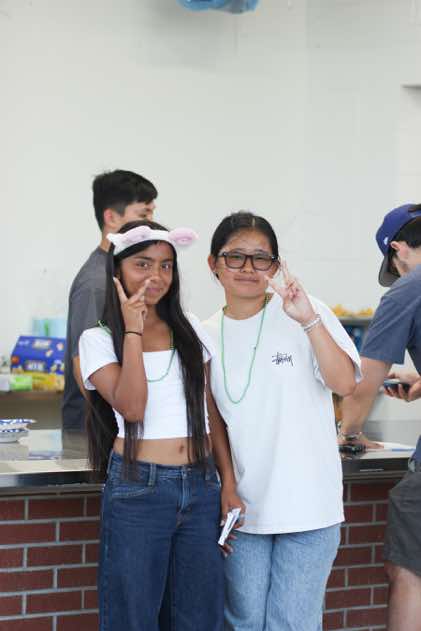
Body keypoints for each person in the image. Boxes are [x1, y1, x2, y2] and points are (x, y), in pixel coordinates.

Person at [78, 219, 243, 631]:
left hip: (201, 485)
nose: (156, 275)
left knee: (199, 617)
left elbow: (209, 412)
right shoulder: (98, 338)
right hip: (139, 487)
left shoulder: (189, 327)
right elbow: (132, 408)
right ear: (117, 270)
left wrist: (228, 482)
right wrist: (133, 329)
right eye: (143, 264)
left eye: (166, 265)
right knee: (133, 616)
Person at [202, 211, 360, 631]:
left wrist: (308, 320)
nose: (248, 268)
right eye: (235, 256)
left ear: (275, 265)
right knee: (244, 622)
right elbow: (215, 419)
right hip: (245, 511)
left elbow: (345, 383)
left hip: (310, 506)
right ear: (213, 264)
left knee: (292, 623)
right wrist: (228, 486)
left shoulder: (306, 312)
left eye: (261, 258)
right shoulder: (204, 333)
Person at [339, 203, 421, 631]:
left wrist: (348, 431)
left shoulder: (408, 289)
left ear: (397, 249)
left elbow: (364, 381)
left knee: (409, 569)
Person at [62, 169, 157, 431]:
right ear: (111, 218)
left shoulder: (120, 269)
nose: (151, 224)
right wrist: (120, 426)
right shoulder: (96, 282)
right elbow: (82, 365)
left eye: (152, 213)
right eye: (144, 214)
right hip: (98, 433)